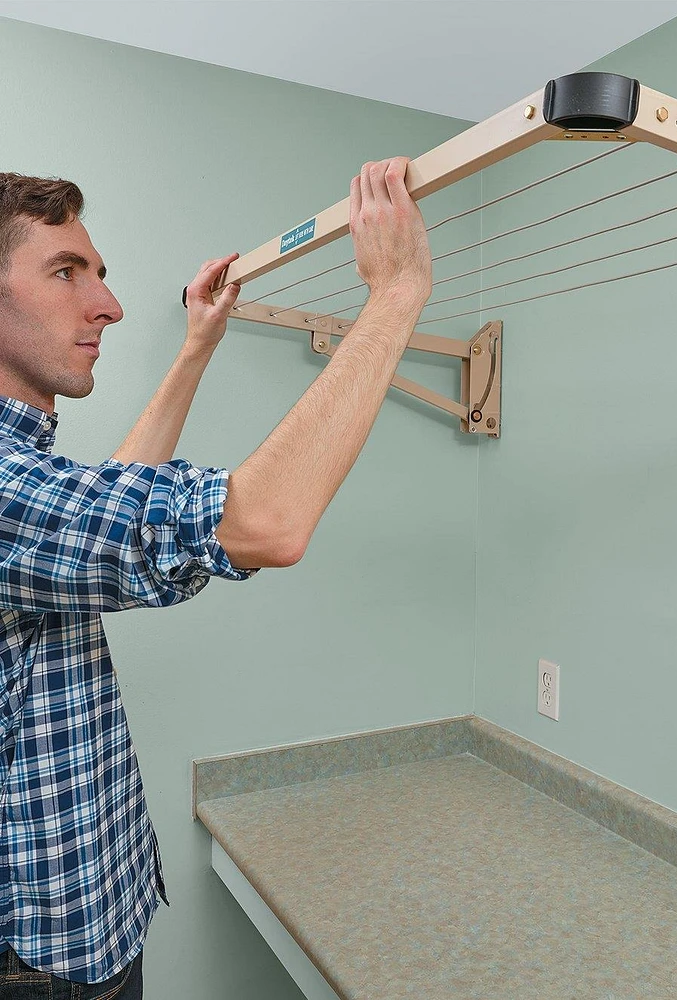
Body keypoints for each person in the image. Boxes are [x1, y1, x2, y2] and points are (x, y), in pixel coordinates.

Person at [0, 157, 432, 997]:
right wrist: (394, 297)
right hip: (43, 969)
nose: (110, 306)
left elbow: (103, 516)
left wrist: (197, 346)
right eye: (65, 272)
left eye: (100, 274)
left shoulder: (25, 484)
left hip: (86, 929)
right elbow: (266, 523)